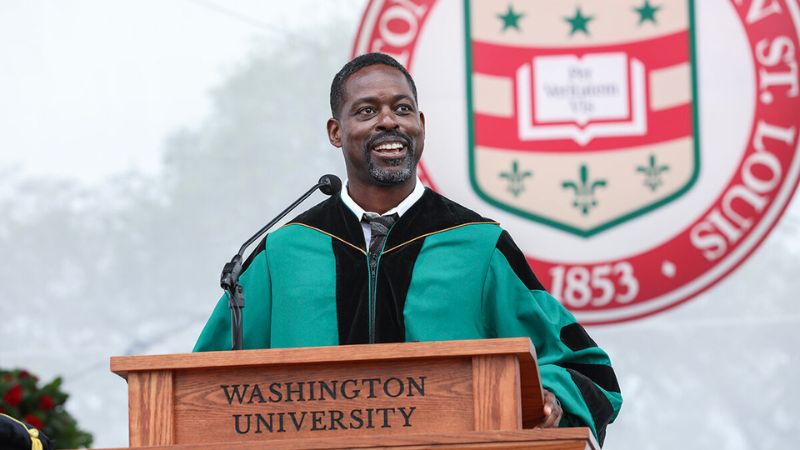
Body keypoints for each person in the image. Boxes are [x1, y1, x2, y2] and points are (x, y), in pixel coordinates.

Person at [194, 53, 622, 444]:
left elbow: (586, 369)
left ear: (421, 123)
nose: (388, 122)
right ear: (335, 132)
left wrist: (552, 397)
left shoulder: (477, 245)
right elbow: (199, 390)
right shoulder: (281, 255)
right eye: (367, 111)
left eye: (402, 109)